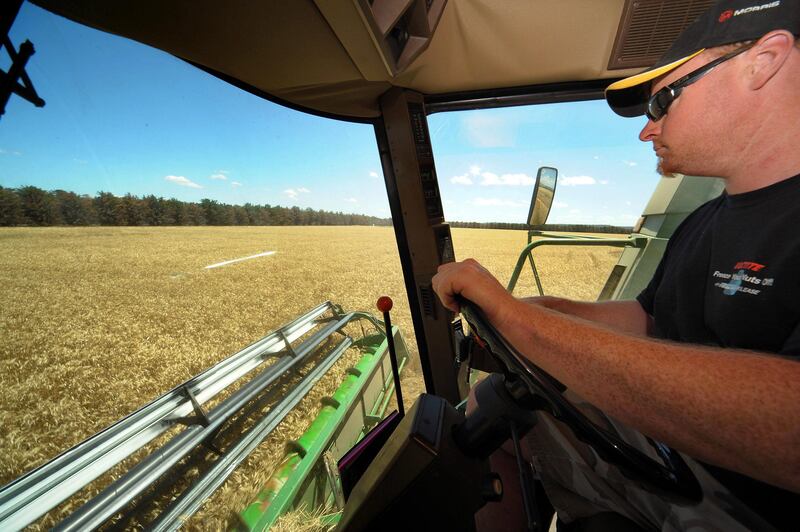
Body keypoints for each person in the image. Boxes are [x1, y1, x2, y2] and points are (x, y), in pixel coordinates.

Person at [432, 1, 800, 530]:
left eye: (662, 103)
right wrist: (531, 310)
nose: (646, 132)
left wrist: (527, 326)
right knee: (492, 409)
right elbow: (650, 320)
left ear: (762, 62)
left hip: (754, 505)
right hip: (682, 457)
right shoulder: (705, 220)